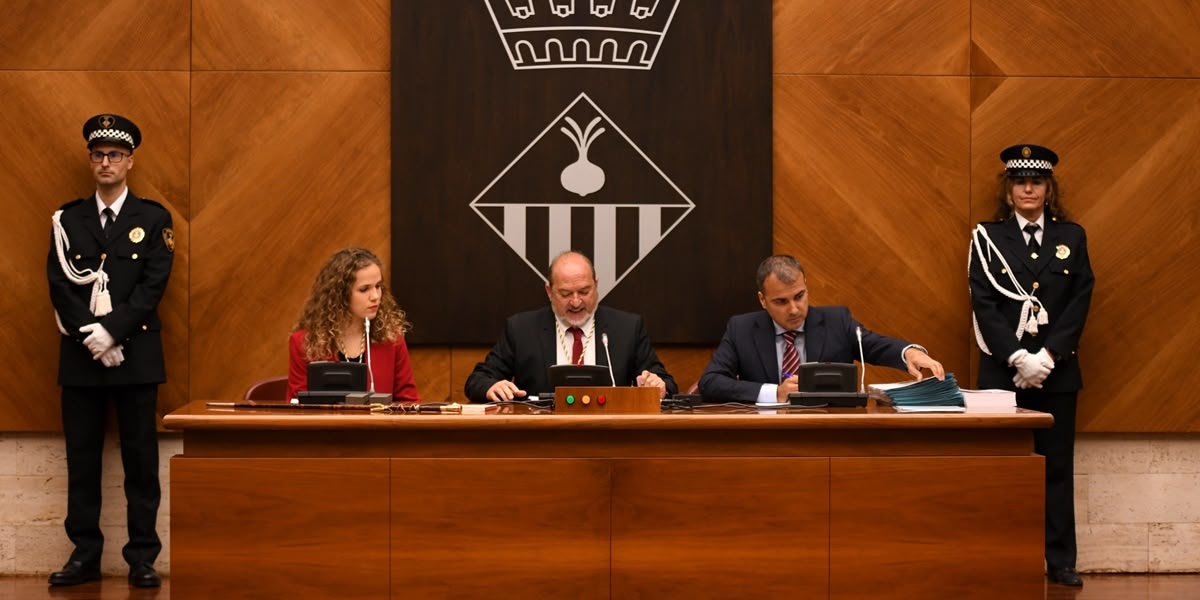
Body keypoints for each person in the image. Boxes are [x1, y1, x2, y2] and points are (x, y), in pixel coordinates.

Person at [46, 114, 173, 588]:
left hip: (136, 357)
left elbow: (152, 285)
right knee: (82, 460)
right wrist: (91, 336)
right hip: (82, 358)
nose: (106, 162)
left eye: (115, 155)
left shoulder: (154, 219)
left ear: (130, 162)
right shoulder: (67, 219)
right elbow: (60, 285)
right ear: (90, 161)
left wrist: (113, 333)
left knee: (141, 460)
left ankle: (142, 557)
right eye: (98, 155)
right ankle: (85, 556)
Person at [969, 144, 1094, 588]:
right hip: (1004, 373)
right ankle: (1003, 556)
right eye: (1019, 181)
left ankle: (1059, 561)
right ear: (1008, 191)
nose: (1028, 188)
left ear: (1047, 189)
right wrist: (1019, 357)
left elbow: (1079, 302)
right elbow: (983, 304)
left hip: (1056, 372)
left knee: (1056, 468)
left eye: (1036, 181)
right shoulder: (986, 238)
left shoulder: (1072, 238)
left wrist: (1047, 357)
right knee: (1003, 468)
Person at [699, 255, 944, 404]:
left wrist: (909, 353)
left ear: (806, 286)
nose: (794, 309)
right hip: (766, 439)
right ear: (763, 300)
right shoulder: (742, 328)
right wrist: (775, 393)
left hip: (829, 432)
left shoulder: (836, 320)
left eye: (799, 296)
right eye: (781, 302)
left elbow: (872, 345)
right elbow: (710, 382)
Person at [465, 251, 677, 402]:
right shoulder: (521, 329)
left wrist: (658, 386)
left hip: (610, 433)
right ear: (549, 291)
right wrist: (492, 386)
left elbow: (666, 383)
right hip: (541, 436)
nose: (576, 302)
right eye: (566, 294)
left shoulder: (627, 328)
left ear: (596, 285)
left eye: (584, 292)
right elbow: (478, 380)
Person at [287, 247, 421, 403]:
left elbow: (408, 401)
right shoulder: (304, 342)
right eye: (364, 289)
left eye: (378, 286)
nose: (375, 296)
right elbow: (297, 407)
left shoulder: (392, 339)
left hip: (378, 427)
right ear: (340, 295)